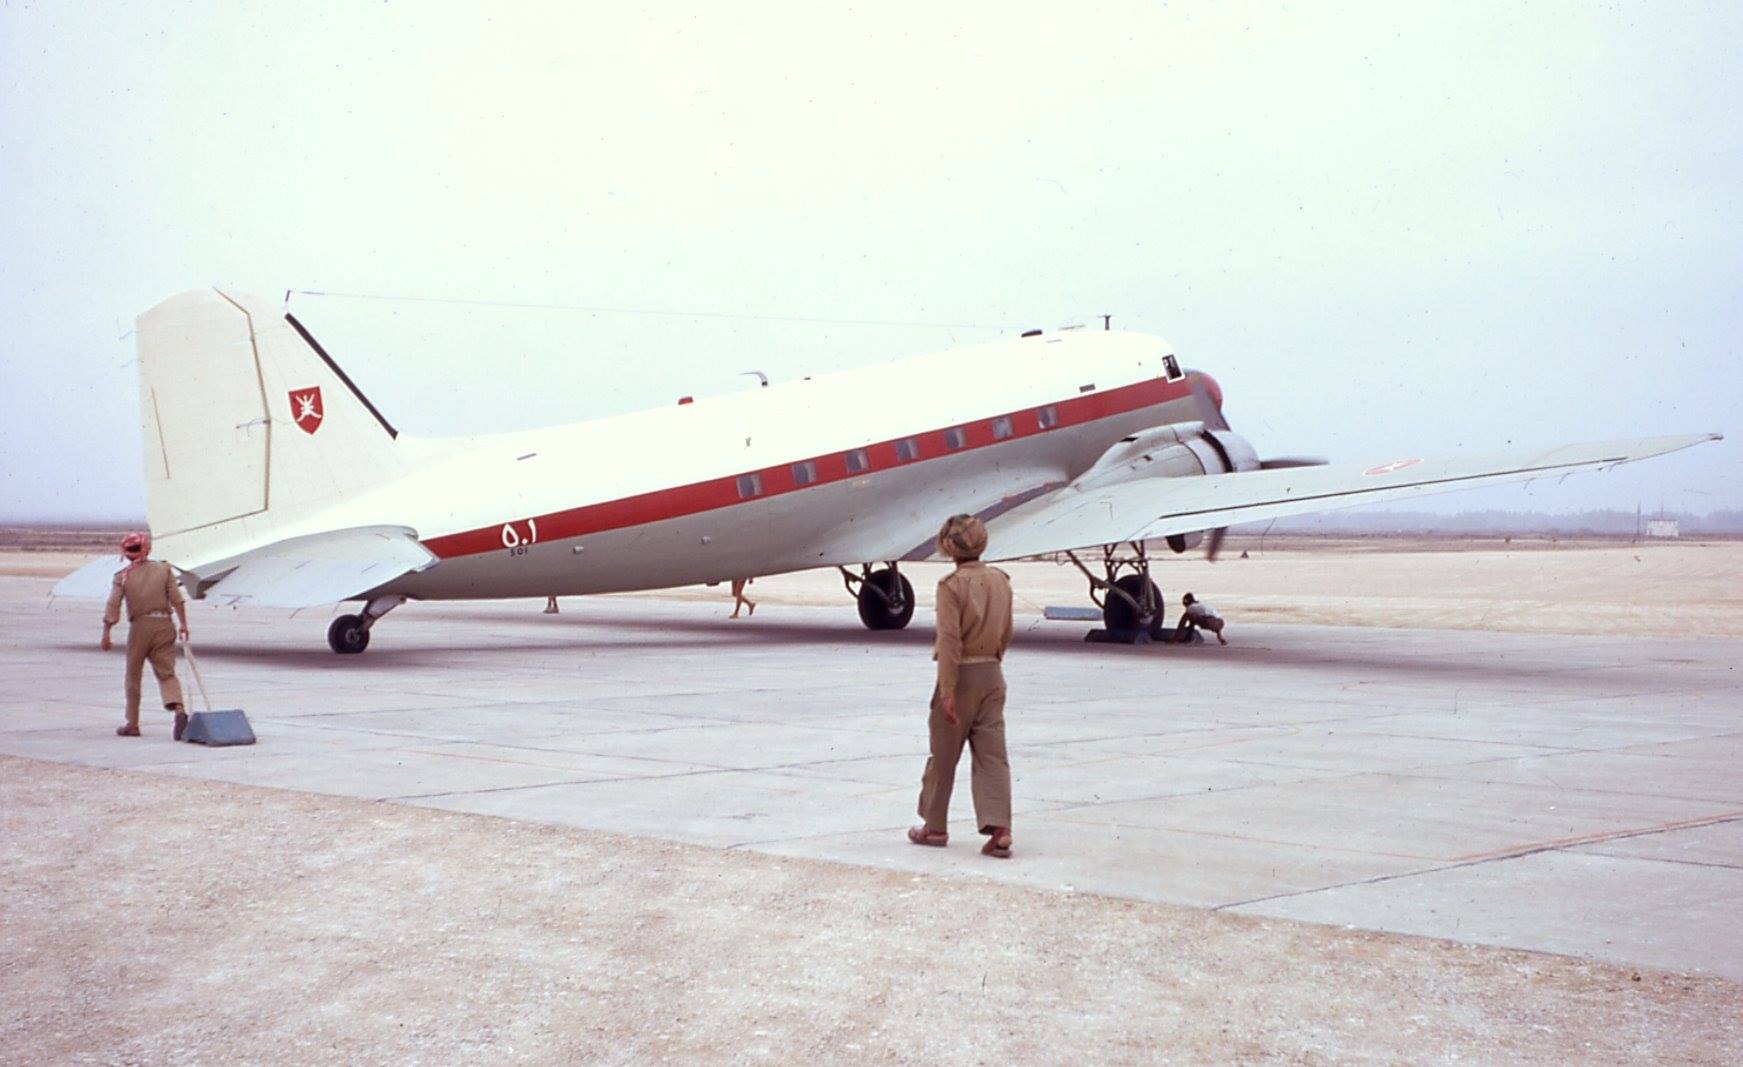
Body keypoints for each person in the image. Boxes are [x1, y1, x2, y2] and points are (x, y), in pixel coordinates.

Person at [909, 514, 1015, 858]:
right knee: (993, 757)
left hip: (961, 677)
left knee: (943, 756)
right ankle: (1000, 828)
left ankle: (935, 827)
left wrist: (948, 690)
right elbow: (1007, 631)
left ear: (948, 548)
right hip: (992, 674)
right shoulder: (1001, 580)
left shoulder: (950, 586)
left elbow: (950, 642)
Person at [100, 531, 191, 738]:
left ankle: (132, 724)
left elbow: (113, 604)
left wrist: (107, 631)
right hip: (164, 624)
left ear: (126, 553)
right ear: (146, 548)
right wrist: (183, 625)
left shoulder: (122, 577)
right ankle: (179, 709)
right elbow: (177, 599)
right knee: (167, 672)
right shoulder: (164, 570)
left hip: (140, 627)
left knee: (133, 675)